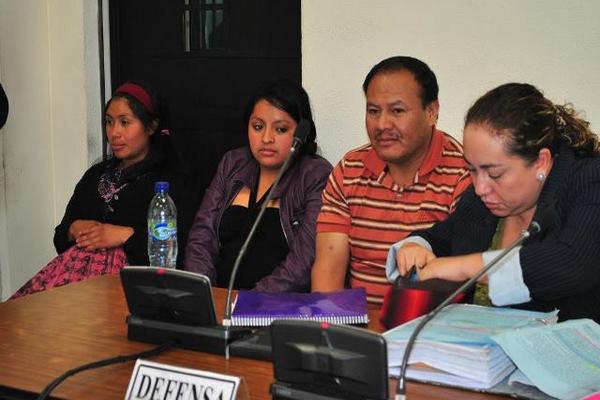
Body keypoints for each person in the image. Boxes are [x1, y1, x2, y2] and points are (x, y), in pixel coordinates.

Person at [387, 82, 600, 323]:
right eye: (472, 170)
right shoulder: (484, 196)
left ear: (541, 162)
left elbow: (572, 264)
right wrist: (417, 246)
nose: (480, 187)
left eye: (495, 173)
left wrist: (463, 268)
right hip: (479, 353)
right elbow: (444, 237)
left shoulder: (589, 180)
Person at [311, 56, 471, 305]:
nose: (382, 124)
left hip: (427, 331)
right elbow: (327, 274)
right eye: (373, 111)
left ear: (431, 112)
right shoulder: (349, 169)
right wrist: (330, 332)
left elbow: (464, 279)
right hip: (358, 332)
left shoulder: (465, 172)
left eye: (397, 111)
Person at [11, 81, 192, 298]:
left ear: (151, 127)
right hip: (74, 280)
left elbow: (178, 247)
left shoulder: (171, 181)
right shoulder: (95, 176)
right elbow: (60, 236)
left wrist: (124, 235)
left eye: (125, 122)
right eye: (109, 122)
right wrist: (73, 229)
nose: (114, 133)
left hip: (130, 288)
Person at [184, 79, 332, 292]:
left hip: (277, 309)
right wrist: (204, 293)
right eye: (258, 127)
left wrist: (251, 303)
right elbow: (202, 237)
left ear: (302, 133)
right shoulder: (233, 163)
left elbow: (303, 263)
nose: (266, 138)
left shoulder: (315, 175)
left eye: (280, 129)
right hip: (219, 303)